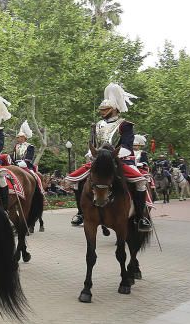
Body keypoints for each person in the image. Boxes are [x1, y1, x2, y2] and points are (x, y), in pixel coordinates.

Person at [64, 83, 152, 231]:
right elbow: (93, 143)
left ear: (115, 108)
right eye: (101, 110)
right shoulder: (97, 125)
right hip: (98, 159)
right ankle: (81, 212)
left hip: (120, 159)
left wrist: (112, 155)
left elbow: (127, 145)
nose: (102, 112)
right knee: (76, 181)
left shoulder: (125, 124)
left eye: (105, 109)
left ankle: (141, 217)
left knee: (140, 181)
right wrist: (90, 153)